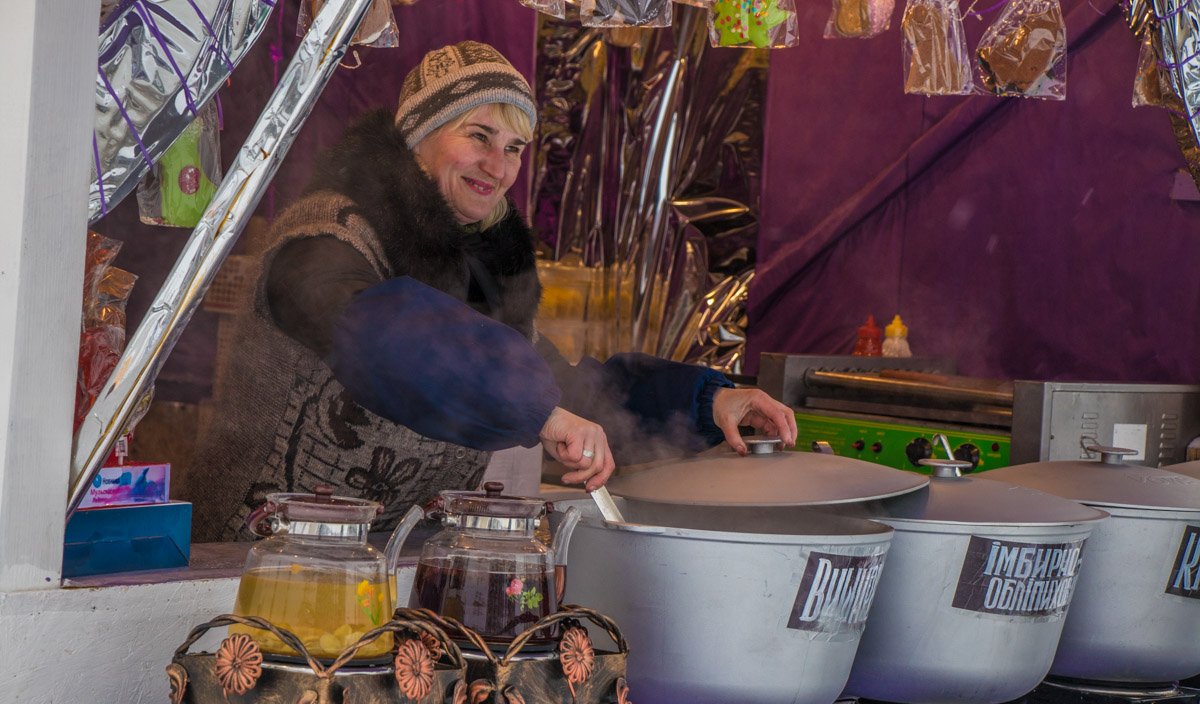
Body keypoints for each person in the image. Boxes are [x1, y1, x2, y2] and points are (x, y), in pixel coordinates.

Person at [184, 41, 796, 542]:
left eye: (514, 148)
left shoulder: (471, 266)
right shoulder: (325, 235)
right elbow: (378, 333)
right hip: (246, 563)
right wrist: (536, 408)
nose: (498, 167)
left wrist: (708, 401)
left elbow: (567, 389)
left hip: (382, 569)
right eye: (479, 136)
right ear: (418, 136)